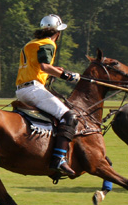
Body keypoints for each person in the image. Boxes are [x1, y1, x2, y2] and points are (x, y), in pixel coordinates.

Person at [15, 14, 80, 179]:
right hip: (33, 90)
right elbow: (44, 67)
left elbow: (38, 66)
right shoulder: (48, 43)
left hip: (21, 90)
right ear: (57, 33)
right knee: (69, 116)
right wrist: (68, 76)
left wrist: (57, 70)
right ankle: (58, 158)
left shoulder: (31, 43)